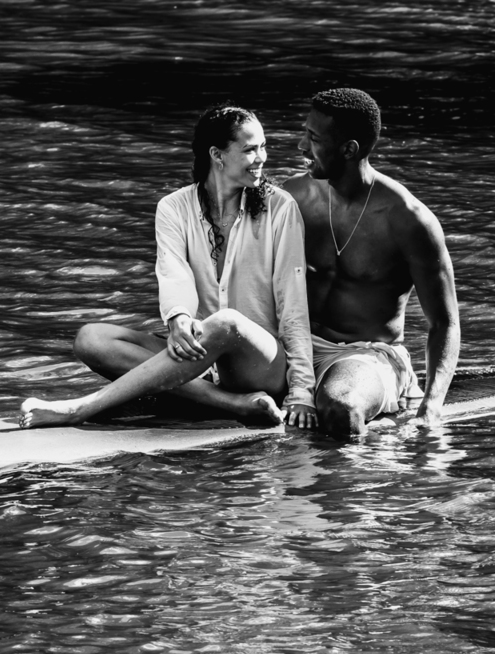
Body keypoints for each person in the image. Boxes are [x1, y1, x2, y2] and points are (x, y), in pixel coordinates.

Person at [19, 103, 317, 430]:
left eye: (263, 147)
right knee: (91, 339)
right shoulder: (173, 207)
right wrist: (178, 318)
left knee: (228, 322)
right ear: (217, 155)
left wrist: (301, 390)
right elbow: (173, 272)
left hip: (261, 364)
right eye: (250, 150)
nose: (261, 158)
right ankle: (230, 403)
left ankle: (79, 409)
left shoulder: (280, 207)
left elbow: (293, 302)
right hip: (200, 358)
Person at [282, 88, 460, 438]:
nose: (302, 146)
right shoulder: (293, 196)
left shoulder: (408, 220)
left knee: (342, 407)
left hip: (361, 356)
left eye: (313, 138)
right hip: (292, 344)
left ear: (349, 149)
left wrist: (433, 403)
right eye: (305, 132)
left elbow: (444, 322)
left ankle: (353, 488)